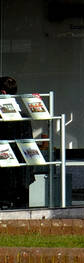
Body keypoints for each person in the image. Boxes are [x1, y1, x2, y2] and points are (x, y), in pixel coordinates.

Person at [0, 76, 34, 211]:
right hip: (22, 169)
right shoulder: (23, 115)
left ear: (3, 93)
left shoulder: (5, 117)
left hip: (8, 172)